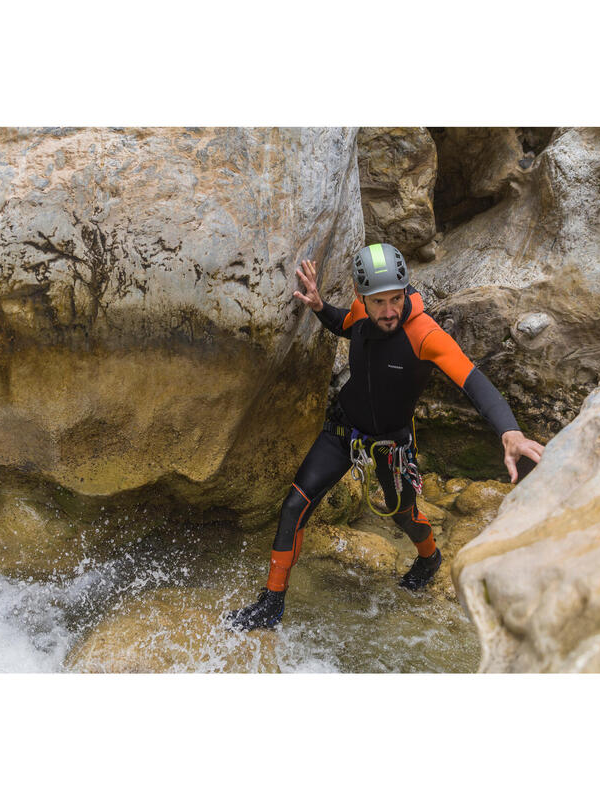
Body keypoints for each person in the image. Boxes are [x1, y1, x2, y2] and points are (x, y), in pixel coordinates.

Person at [226, 243, 545, 631]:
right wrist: (319, 307)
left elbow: (472, 379)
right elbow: (347, 324)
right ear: (363, 297)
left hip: (392, 445)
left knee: (403, 514)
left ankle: (429, 558)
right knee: (294, 505)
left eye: (397, 298)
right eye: (379, 302)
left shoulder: (425, 335)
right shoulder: (363, 311)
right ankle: (271, 604)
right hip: (342, 430)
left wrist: (509, 430)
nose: (390, 311)